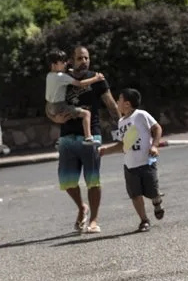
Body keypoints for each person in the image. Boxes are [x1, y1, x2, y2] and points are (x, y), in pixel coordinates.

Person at [58, 46, 121, 234]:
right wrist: (54, 118)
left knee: (93, 179)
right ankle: (82, 207)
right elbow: (50, 105)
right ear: (71, 60)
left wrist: (121, 127)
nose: (84, 61)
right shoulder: (62, 80)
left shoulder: (97, 79)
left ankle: (94, 219)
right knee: (67, 181)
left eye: (86, 58)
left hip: (91, 134)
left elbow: (110, 104)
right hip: (67, 135)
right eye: (79, 58)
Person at [99, 89, 165, 233]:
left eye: (119, 100)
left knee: (152, 190)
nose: (117, 103)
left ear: (127, 104)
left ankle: (157, 200)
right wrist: (105, 151)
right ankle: (144, 220)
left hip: (146, 162)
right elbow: (123, 145)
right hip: (130, 165)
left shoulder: (141, 115)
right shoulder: (121, 122)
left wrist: (154, 145)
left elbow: (157, 128)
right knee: (135, 194)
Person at [44, 49, 105, 146]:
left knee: (68, 114)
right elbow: (80, 84)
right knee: (86, 114)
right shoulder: (62, 76)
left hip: (49, 106)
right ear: (53, 65)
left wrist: (71, 70)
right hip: (60, 106)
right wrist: (95, 79)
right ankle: (88, 137)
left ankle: (61, 140)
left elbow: (63, 73)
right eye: (62, 62)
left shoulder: (49, 75)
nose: (65, 64)